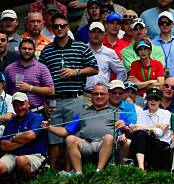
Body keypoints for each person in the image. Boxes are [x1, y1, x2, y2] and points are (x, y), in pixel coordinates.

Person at [39, 12, 98, 170]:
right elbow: (40, 76)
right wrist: (44, 101)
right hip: (54, 99)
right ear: (52, 28)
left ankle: (70, 171)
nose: (59, 28)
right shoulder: (47, 50)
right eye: (56, 26)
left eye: (62, 26)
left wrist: (76, 72)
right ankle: (53, 172)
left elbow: (94, 68)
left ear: (67, 27)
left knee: (73, 136)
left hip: (75, 97)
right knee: (53, 138)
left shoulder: (80, 47)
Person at [45, 82, 115, 175]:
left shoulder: (116, 112)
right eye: (95, 94)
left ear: (108, 95)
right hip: (87, 144)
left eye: (102, 94)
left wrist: (125, 128)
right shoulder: (82, 113)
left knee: (109, 137)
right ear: (91, 96)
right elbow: (66, 131)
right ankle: (78, 173)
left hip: (105, 144)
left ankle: (99, 172)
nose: (98, 96)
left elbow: (126, 130)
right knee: (70, 138)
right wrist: (49, 127)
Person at [0, 92, 46, 183]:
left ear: (28, 104)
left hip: (34, 154)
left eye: (22, 104)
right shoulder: (10, 122)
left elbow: (31, 135)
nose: (19, 108)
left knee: (20, 160)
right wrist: (24, 139)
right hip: (13, 155)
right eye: (16, 105)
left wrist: (13, 139)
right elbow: (3, 145)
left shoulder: (36, 117)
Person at [4, 38, 54, 115]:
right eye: (24, 48)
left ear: (34, 51)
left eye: (30, 49)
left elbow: (51, 91)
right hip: (16, 112)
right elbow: (6, 92)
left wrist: (30, 88)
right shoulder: (9, 69)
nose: (27, 51)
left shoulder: (41, 68)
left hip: (36, 111)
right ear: (19, 50)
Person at [129, 87, 171, 171]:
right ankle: (141, 167)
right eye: (150, 98)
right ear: (146, 100)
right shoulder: (142, 114)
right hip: (145, 142)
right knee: (139, 135)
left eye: (156, 98)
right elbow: (137, 130)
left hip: (161, 143)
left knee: (141, 135)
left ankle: (142, 166)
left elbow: (160, 133)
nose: (153, 101)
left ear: (160, 100)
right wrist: (156, 126)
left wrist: (144, 128)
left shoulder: (166, 113)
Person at [85, 21, 126, 107]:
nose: (96, 34)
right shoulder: (82, 50)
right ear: (89, 33)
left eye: (99, 32)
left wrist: (114, 87)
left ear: (104, 34)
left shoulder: (109, 52)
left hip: (104, 95)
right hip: (86, 94)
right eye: (93, 31)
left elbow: (121, 71)